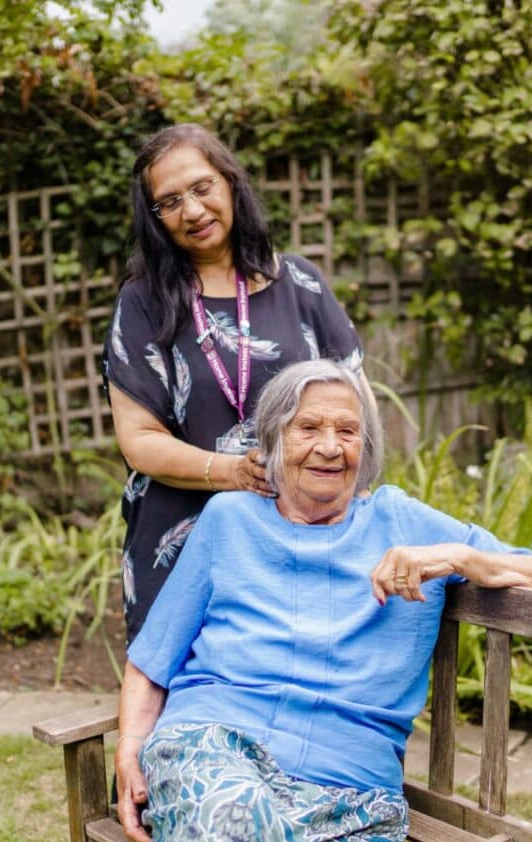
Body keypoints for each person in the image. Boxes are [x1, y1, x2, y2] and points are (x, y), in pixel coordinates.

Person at [115, 360, 532, 842]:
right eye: (308, 428)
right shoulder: (229, 519)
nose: (330, 447)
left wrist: (453, 557)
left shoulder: (401, 523)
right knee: (235, 816)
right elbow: (155, 655)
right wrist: (130, 746)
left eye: (347, 431)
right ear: (275, 441)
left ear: (366, 447)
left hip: (348, 793)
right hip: (214, 747)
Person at [103, 124, 365, 642]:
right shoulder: (142, 303)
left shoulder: (302, 285)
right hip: (181, 550)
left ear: (230, 184)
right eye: (170, 202)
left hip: (302, 541)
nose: (193, 211)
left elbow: (359, 414)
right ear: (154, 218)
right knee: (183, 706)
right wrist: (233, 472)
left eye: (202, 188)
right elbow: (139, 442)